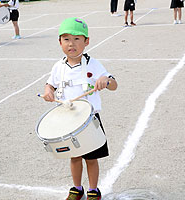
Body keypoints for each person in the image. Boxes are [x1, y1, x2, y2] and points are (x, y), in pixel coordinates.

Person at [42, 17, 118, 200]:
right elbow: (49, 85)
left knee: (91, 159)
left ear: (86, 42)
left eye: (77, 39)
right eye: (67, 39)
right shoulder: (58, 67)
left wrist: (106, 81)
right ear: (60, 42)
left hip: (88, 120)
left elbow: (114, 84)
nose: (72, 44)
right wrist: (47, 92)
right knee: (74, 157)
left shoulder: (93, 64)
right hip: (67, 120)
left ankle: (93, 190)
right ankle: (77, 188)